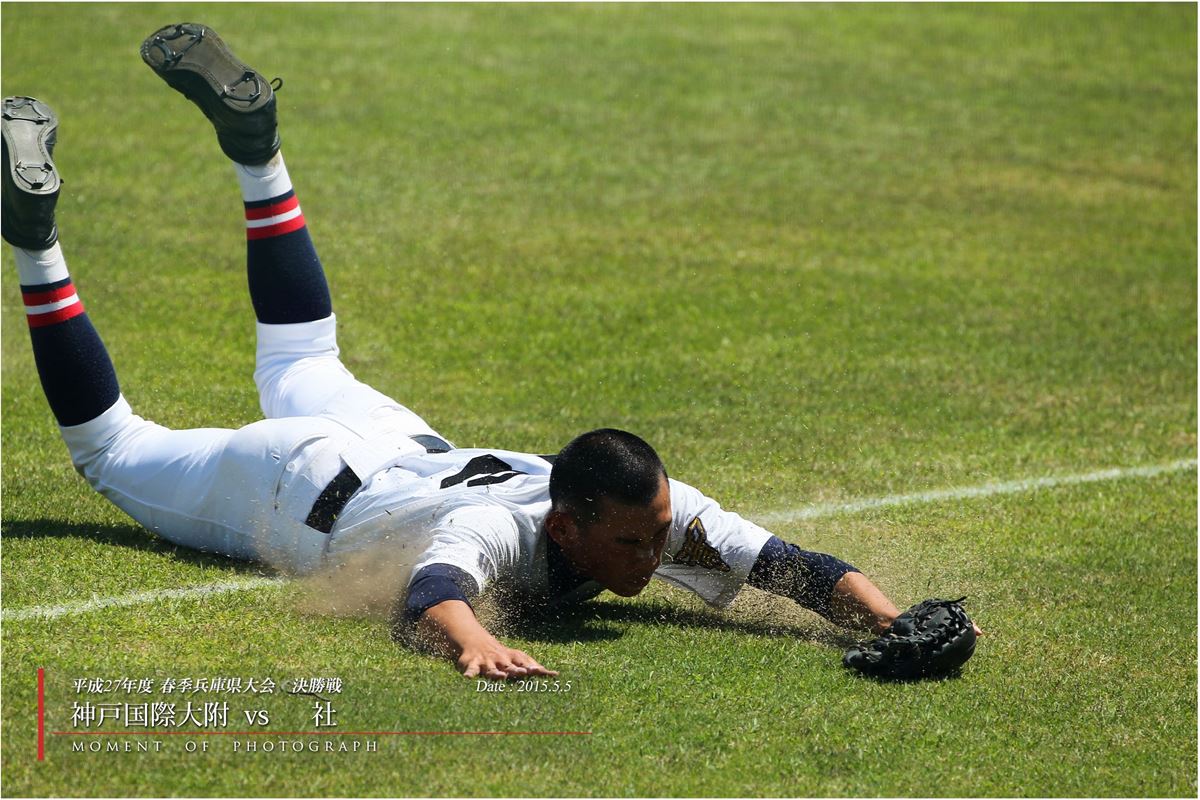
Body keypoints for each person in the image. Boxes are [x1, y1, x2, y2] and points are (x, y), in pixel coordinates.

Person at [5, 23, 934, 681]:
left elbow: (790, 566)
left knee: (298, 360)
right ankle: (34, 236)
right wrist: (471, 642)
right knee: (112, 449)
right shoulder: (508, 534)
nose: (659, 556)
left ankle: (260, 149)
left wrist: (903, 625)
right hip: (291, 486)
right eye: (637, 542)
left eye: (656, 535)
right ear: (567, 528)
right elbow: (437, 589)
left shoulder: (641, 506)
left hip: (396, 446)